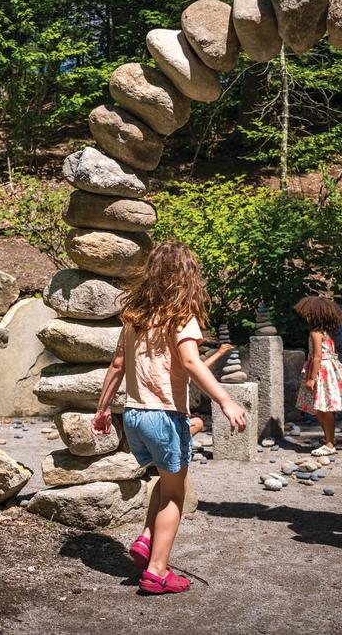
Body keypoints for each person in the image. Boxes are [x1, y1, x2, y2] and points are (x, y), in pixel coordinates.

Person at [92, 242, 247, 595]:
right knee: (176, 494)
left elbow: (117, 365)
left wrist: (102, 410)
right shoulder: (180, 317)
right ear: (188, 276)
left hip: (134, 416)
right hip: (164, 416)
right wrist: (225, 400)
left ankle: (147, 538)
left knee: (166, 481)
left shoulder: (135, 317)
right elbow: (191, 362)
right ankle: (157, 572)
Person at [294, 295, 342, 456]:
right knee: (321, 409)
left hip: (322, 371)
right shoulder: (326, 333)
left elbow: (317, 356)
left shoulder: (315, 333)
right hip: (329, 369)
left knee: (324, 409)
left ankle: (330, 443)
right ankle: (329, 439)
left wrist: (311, 378)